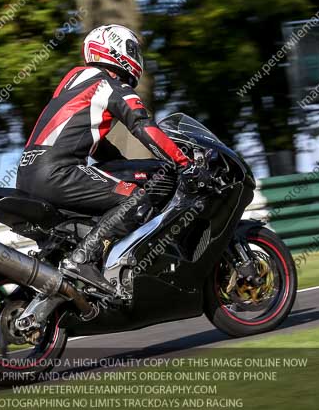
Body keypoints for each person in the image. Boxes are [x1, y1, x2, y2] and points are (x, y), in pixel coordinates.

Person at [16, 24, 192, 290]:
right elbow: (144, 127)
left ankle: (78, 268)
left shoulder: (73, 82)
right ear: (115, 50)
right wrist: (184, 163)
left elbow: (93, 144)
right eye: (132, 49)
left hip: (27, 174)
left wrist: (126, 163)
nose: (136, 56)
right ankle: (82, 260)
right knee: (137, 199)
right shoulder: (108, 85)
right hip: (57, 173)